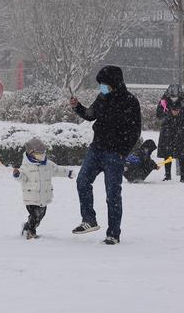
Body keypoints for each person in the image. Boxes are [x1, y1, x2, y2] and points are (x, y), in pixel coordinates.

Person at [69, 65, 142, 245]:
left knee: (113, 194)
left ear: (115, 83)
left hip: (114, 155)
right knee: (82, 181)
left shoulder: (130, 102)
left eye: (104, 84)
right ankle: (89, 219)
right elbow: (90, 114)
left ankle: (113, 233)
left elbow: (135, 131)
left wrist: (121, 153)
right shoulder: (102, 97)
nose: (101, 87)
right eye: (100, 84)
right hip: (96, 149)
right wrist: (77, 107)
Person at [12, 138, 74, 239]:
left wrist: (68, 173)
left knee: (40, 217)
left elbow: (57, 170)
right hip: (31, 197)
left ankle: (26, 227)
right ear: (31, 153)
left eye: (43, 153)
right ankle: (31, 233)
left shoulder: (48, 164)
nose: (42, 156)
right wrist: (17, 175)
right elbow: (22, 178)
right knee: (34, 216)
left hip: (44, 197)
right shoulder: (26, 166)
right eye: (39, 154)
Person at [156, 84, 184, 183]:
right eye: (172, 96)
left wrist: (179, 114)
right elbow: (159, 115)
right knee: (167, 154)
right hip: (167, 131)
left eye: (175, 96)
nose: (174, 98)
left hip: (181, 132)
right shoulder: (163, 101)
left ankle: (183, 176)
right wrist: (169, 114)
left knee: (182, 154)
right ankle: (167, 175)